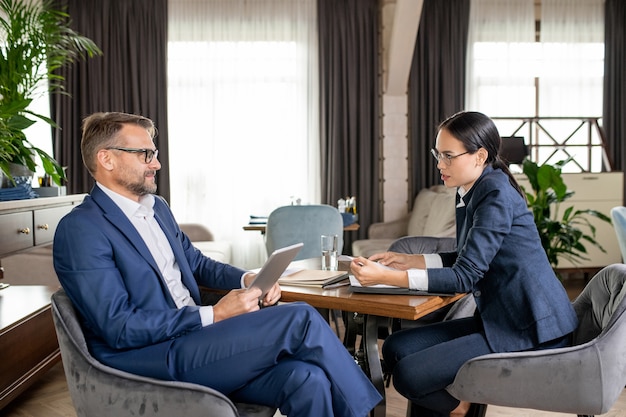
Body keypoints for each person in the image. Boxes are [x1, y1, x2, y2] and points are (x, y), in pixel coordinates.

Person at [53, 111, 382, 417]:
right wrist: (216, 313)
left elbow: (196, 263)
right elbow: (119, 327)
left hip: (197, 343)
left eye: (154, 153)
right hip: (150, 356)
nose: (157, 164)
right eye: (146, 155)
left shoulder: (157, 208)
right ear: (106, 158)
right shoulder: (82, 228)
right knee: (300, 318)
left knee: (306, 378)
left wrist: (248, 279)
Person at [350, 111, 578, 417]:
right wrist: (410, 261)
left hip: (529, 326)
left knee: (411, 375)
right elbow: (466, 256)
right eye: (437, 154)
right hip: (501, 317)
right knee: (395, 347)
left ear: (479, 156)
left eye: (447, 156)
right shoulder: (472, 189)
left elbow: (464, 277)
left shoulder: (494, 193)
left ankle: (463, 408)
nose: (439, 165)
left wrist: (388, 277)